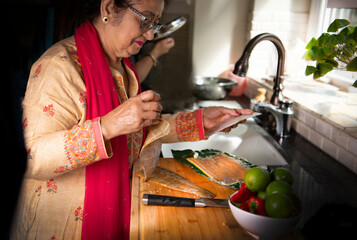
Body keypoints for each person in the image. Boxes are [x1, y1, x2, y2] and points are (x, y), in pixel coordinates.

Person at [11, 0, 253, 239]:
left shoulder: (121, 65)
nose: (149, 35)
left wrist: (199, 122)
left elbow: (135, 131)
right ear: (108, 8)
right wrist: (106, 127)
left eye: (155, 24)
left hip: (115, 209)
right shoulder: (59, 67)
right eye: (144, 20)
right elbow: (31, 156)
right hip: (63, 228)